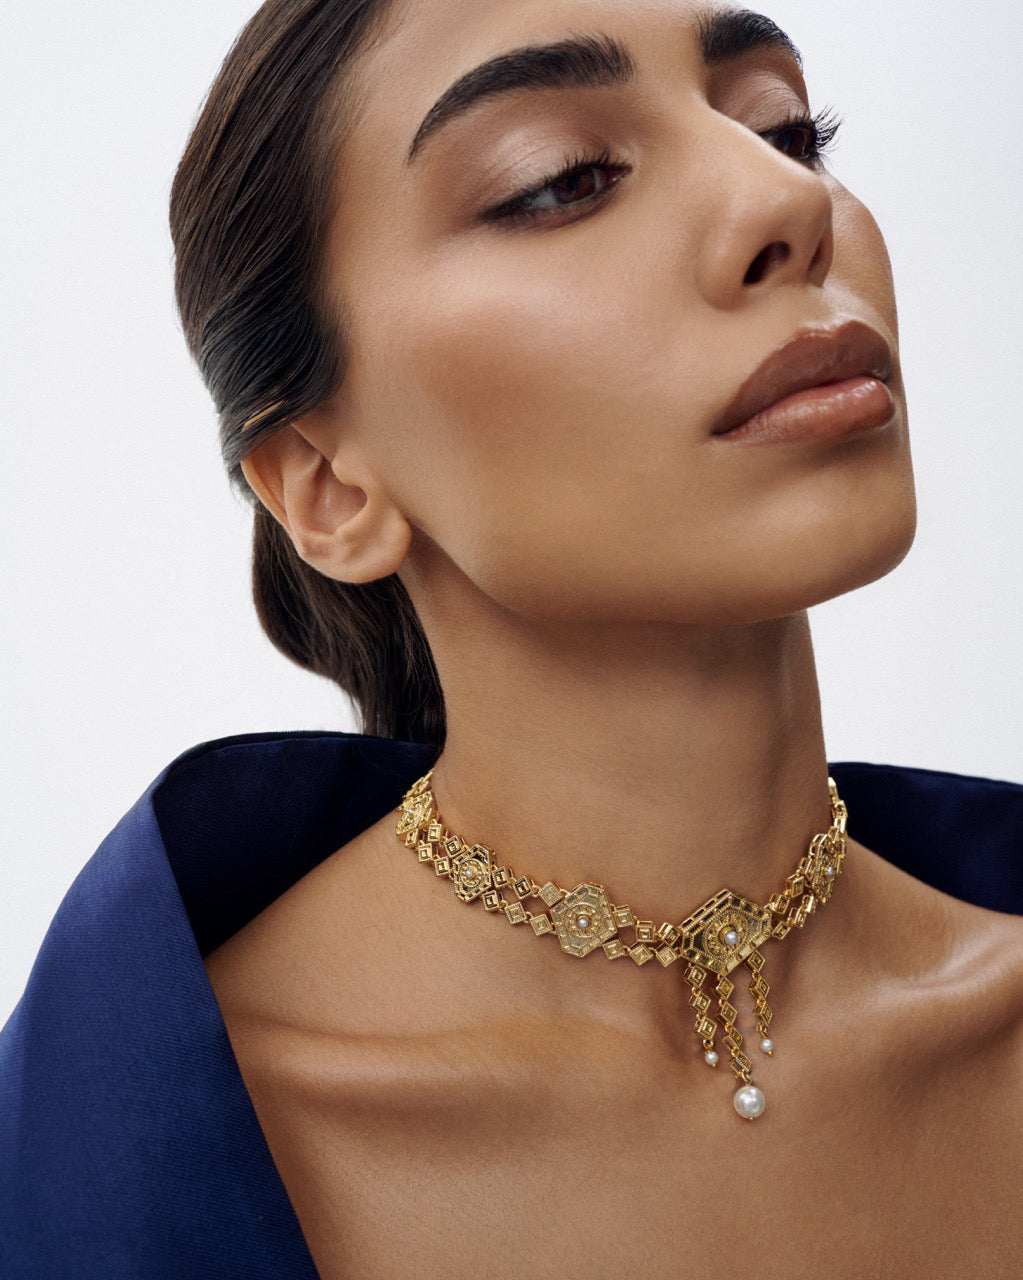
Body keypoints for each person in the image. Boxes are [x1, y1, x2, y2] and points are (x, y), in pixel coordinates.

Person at [2, 1, 1021, 1277]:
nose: (784, 201)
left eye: (784, 125)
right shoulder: (107, 1166)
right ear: (325, 482)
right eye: (564, 182)